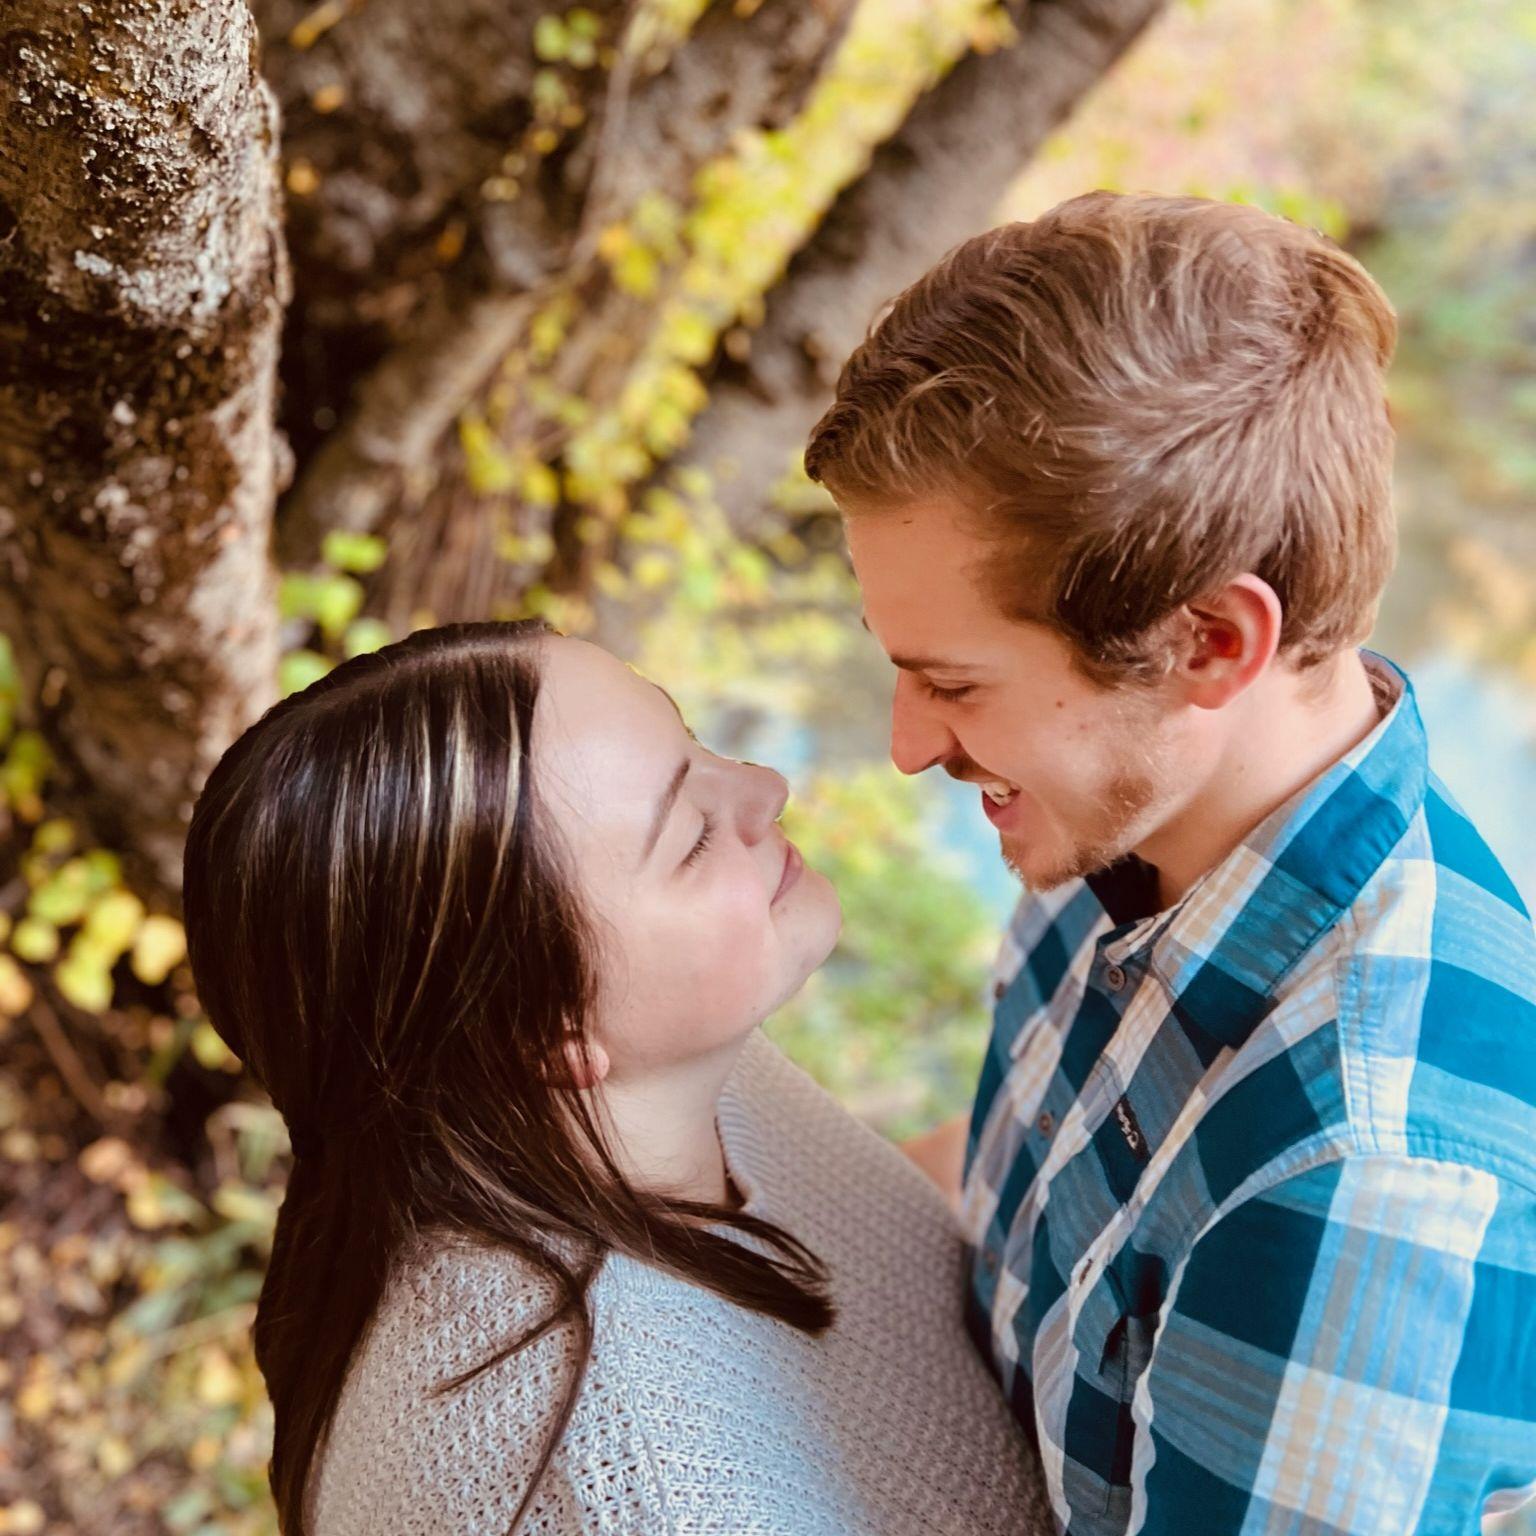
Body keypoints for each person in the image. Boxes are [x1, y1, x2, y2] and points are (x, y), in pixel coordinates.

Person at [805, 191, 1536, 1535]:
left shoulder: (1357, 1192)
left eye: (954, 683)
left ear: (1209, 644)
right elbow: (1032, 1185)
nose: (908, 746)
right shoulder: (1122, 817)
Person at [181, 620, 1048, 1536]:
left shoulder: (631, 1092)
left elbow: (860, 1247)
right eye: (692, 838)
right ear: (544, 1036)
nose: (766, 786)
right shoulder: (631, 1493)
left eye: (693, 740)